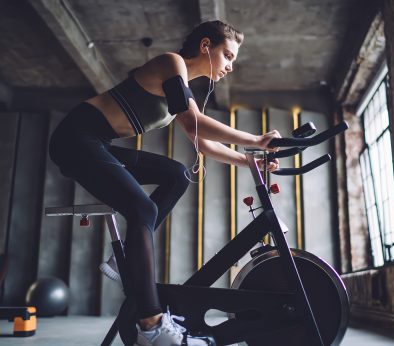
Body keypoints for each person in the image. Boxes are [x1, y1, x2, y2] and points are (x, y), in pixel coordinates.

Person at [49, 20, 280, 346]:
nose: (230, 66)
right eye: (227, 55)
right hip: (75, 138)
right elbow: (196, 122)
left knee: (176, 174)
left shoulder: (182, 88)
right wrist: (256, 138)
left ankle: (125, 258)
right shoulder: (172, 63)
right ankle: (152, 325)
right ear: (205, 46)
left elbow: (202, 143)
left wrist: (249, 159)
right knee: (142, 209)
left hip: (97, 143)